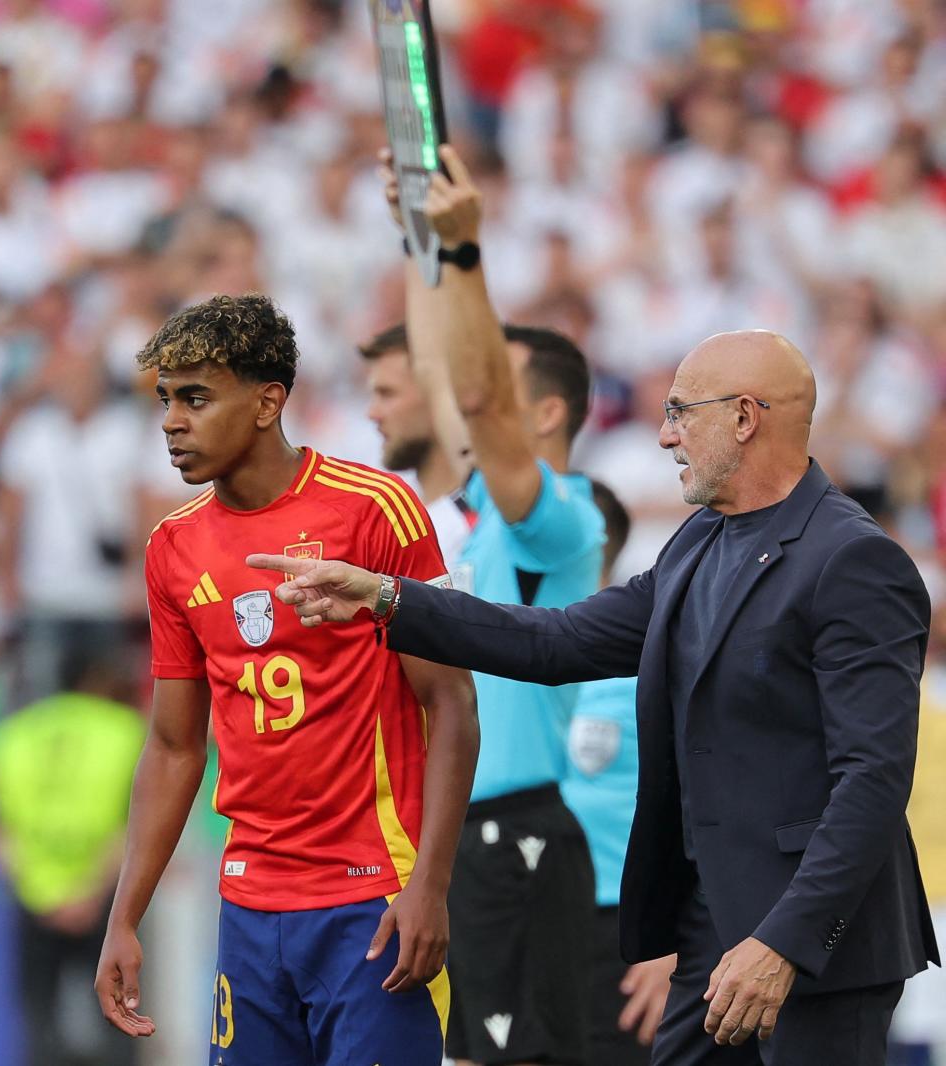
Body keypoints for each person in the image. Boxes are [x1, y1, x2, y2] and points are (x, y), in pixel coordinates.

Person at [250, 322, 939, 1060]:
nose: (666, 438)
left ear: (745, 418)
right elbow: (557, 641)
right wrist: (390, 599)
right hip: (714, 939)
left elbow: (872, 781)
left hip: (814, 951)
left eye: (681, 413)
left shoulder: (855, 560)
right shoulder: (699, 542)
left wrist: (786, 942)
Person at [93, 293, 480, 1065]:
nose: (172, 420)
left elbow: (452, 704)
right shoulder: (173, 547)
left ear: (269, 402)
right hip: (249, 903)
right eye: (167, 399)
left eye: (197, 398)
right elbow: (173, 748)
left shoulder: (376, 510)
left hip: (372, 896)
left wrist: (430, 884)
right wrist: (123, 915)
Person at [389, 145, 605, 1064]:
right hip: (457, 837)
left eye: (501, 390)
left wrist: (466, 254)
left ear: (544, 415)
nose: (470, 404)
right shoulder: (478, 516)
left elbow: (472, 392)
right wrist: (418, 238)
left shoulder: (561, 523)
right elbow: (448, 377)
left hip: (518, 830)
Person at [0, 651, 147, 1066]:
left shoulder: (13, 734)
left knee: (40, 1022)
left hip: (36, 898)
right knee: (121, 1020)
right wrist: (89, 894)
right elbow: (136, 830)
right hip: (108, 901)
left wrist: (40, 894)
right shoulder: (127, 730)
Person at [567, 481, 675, 1062]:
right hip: (523, 913)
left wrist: (677, 943)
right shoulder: (498, 656)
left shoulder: (653, 660)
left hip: (625, 934)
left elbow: (705, 807)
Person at [358, 323, 474, 562]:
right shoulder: (388, 520)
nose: (372, 413)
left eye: (387, 394)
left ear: (441, 399)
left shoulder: (487, 523)